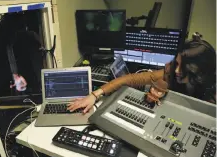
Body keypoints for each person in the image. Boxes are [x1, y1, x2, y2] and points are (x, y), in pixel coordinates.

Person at [68, 32, 216, 113]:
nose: (176, 70)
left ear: (199, 74)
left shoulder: (212, 98)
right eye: (177, 63)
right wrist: (95, 95)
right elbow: (131, 79)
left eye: (183, 68)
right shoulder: (170, 72)